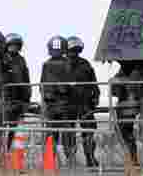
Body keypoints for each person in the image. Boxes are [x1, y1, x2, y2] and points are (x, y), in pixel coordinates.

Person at [65, 36, 99, 168]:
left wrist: (95, 96)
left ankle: (90, 158)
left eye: (76, 51)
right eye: (72, 51)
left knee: (89, 131)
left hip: (85, 103)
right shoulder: (61, 64)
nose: (74, 53)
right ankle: (70, 160)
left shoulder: (85, 64)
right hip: (68, 104)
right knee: (68, 132)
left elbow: (93, 83)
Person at [110, 62, 143, 166]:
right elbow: (113, 88)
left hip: (129, 109)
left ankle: (133, 160)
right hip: (125, 108)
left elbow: (136, 89)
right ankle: (132, 159)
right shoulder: (126, 72)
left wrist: (121, 82)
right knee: (125, 135)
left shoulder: (135, 73)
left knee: (127, 135)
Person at [39, 35, 72, 160]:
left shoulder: (46, 64)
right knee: (66, 131)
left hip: (52, 103)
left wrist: (46, 96)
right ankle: (69, 157)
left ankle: (50, 158)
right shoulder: (66, 63)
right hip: (63, 103)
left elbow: (42, 84)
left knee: (52, 132)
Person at [3, 32, 31, 151]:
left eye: (16, 45)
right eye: (11, 45)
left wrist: (27, 96)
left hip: (19, 99)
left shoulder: (21, 60)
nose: (14, 47)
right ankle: (2, 152)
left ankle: (12, 153)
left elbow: (26, 78)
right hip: (7, 98)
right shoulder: (3, 58)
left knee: (16, 128)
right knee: (4, 126)